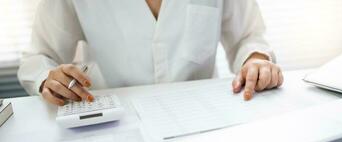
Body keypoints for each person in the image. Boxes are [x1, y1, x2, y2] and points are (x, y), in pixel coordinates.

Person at [18, 0, 283, 106]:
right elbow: (39, 57)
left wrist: (256, 60)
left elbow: (249, 37)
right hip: (111, 122)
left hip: (202, 119)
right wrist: (47, 78)